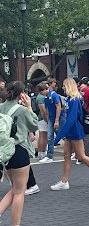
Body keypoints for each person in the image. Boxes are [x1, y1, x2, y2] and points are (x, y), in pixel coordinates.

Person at [50, 78, 89, 196]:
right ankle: (64, 181)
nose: (63, 88)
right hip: (72, 130)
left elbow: (71, 119)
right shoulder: (72, 99)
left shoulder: (74, 100)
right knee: (67, 155)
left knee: (80, 155)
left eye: (65, 86)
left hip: (75, 130)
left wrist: (59, 136)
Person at [0, 81, 38, 225]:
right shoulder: (22, 110)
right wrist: (28, 107)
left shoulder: (0, 107)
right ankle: (15, 224)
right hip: (19, 150)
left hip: (5, 151)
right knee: (20, 191)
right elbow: (34, 125)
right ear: (21, 94)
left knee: (15, 188)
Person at [39, 78, 64, 163]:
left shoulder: (53, 95)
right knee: (50, 136)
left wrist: (56, 120)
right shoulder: (46, 97)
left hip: (59, 117)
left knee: (63, 134)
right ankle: (50, 156)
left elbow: (58, 106)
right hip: (52, 118)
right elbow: (47, 109)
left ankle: (74, 150)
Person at [36, 82, 48, 160]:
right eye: (46, 89)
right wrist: (46, 119)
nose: (47, 91)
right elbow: (42, 110)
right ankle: (42, 153)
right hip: (42, 118)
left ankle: (41, 153)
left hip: (41, 119)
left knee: (42, 136)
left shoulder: (40, 97)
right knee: (43, 136)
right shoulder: (41, 98)